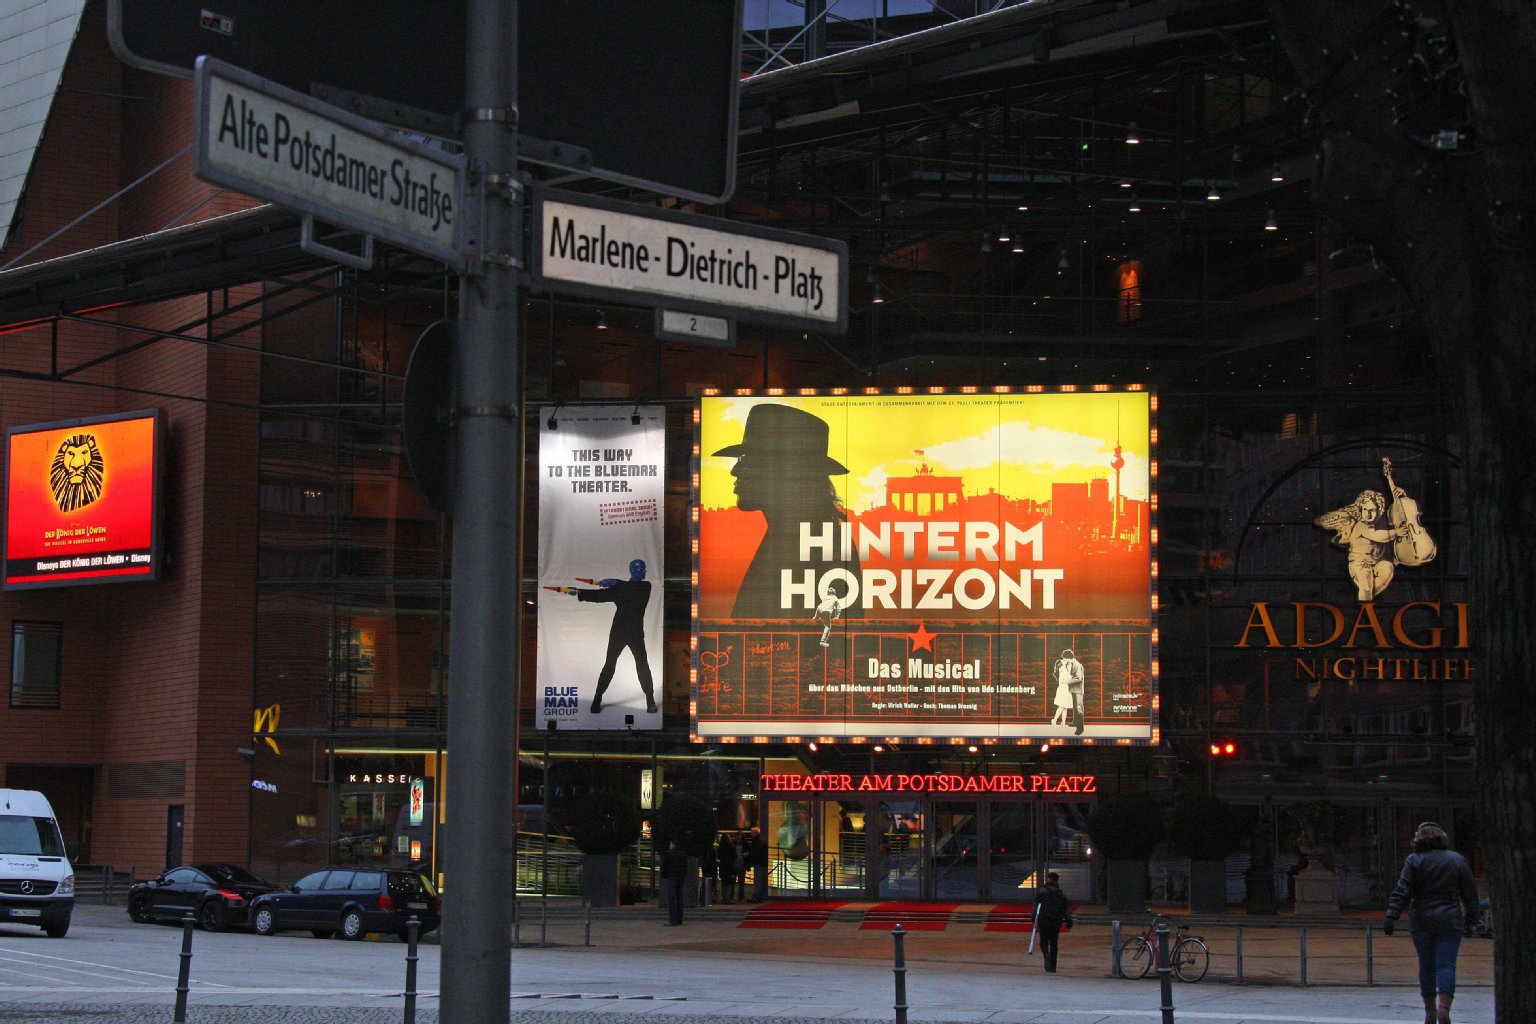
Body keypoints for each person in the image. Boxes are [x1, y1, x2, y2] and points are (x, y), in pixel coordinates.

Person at [712, 403, 863, 620]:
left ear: (784, 472)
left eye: (749, 461)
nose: (735, 471)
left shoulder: (823, 544)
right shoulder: (795, 535)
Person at [1384, 822, 1478, 1024]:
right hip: (1450, 918)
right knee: (1447, 964)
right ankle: (1445, 1007)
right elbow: (1470, 894)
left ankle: (1430, 1010)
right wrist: (1471, 919)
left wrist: (1392, 915)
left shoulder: (1414, 860)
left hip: (1422, 918)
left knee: (1426, 966)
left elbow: (1403, 890)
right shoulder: (1457, 860)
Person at [551, 558, 657, 714]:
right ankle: (597, 698)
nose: (645, 571)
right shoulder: (620, 588)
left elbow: (631, 590)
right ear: (634, 570)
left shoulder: (645, 587)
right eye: (642, 568)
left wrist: (615, 581)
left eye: (644, 568)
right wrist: (579, 592)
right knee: (609, 665)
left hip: (635, 633)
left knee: (642, 665)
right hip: (618, 633)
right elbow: (598, 596)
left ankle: (650, 699)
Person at [1314, 489, 1411, 602]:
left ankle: (1366, 600)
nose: (1368, 514)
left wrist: (1401, 497)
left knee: (1387, 569)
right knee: (1365, 588)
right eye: (1365, 510)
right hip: (1360, 563)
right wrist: (1396, 532)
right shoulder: (1361, 525)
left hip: (1378, 560)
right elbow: (1377, 536)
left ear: (1379, 510)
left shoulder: (1382, 522)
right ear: (1360, 510)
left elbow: (1400, 513)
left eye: (1372, 510)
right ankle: (1364, 606)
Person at [1032, 871, 1073, 973]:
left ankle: (1046, 957)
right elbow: (1065, 909)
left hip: (1044, 920)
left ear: (1048, 879)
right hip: (1056, 921)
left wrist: (1034, 919)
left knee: (1044, 942)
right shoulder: (1060, 893)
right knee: (1054, 943)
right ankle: (1053, 966)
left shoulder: (1042, 891)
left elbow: (1035, 906)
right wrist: (1068, 921)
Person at [1053, 649, 1086, 735]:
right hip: (1072, 689)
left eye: (1064, 658)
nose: (1063, 660)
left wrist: (1067, 681)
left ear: (1068, 658)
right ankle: (1075, 722)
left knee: (1079, 708)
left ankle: (1080, 728)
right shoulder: (1069, 663)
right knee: (1075, 707)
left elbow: (1078, 678)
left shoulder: (1077, 665)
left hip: (1077, 690)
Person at [813, 577, 850, 647]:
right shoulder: (835, 598)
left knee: (816, 619)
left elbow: (822, 605)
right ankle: (822, 641)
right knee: (827, 626)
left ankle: (815, 617)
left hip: (819, 609)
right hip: (826, 612)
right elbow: (838, 609)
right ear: (834, 593)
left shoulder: (825, 597)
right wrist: (837, 617)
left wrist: (817, 616)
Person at [659, 838, 689, 926]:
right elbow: (685, 867)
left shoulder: (668, 854)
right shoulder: (683, 855)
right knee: (679, 899)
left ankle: (673, 920)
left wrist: (665, 876)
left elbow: (664, 866)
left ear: (673, 844)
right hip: (680, 879)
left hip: (672, 878)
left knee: (671, 899)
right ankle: (679, 919)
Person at [1050, 653, 1075, 728]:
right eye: (1069, 658)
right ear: (1066, 657)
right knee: (1061, 706)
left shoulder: (1066, 664)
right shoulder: (1060, 663)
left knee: (1065, 707)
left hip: (1066, 687)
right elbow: (1068, 675)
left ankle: (1063, 723)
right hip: (1062, 687)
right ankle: (1054, 720)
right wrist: (1071, 663)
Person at [748, 827, 770, 901]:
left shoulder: (756, 842)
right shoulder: (762, 841)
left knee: (758, 881)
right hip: (763, 863)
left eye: (752, 832)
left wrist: (749, 854)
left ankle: (757, 897)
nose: (751, 834)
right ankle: (760, 896)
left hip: (759, 863)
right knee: (761, 881)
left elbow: (756, 852)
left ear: (755, 833)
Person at [716, 833, 739, 904]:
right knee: (729, 883)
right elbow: (734, 856)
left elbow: (719, 856)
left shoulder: (720, 846)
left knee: (724, 883)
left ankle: (724, 898)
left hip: (723, 866)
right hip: (729, 867)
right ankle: (728, 899)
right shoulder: (731, 846)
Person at [698, 836, 717, 907]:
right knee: (708, 883)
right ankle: (706, 898)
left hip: (707, 868)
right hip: (709, 868)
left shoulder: (705, 848)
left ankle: (704, 898)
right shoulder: (709, 849)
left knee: (706, 882)